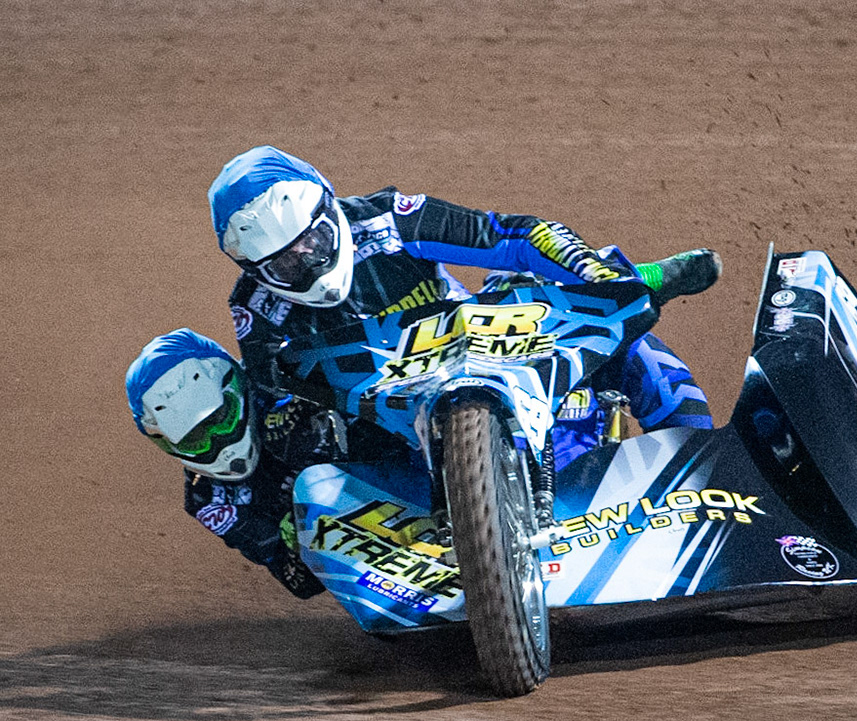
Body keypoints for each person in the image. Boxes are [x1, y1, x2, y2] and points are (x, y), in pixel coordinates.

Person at [207, 146, 718, 464]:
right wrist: (295, 420)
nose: (312, 266)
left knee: (578, 308)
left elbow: (515, 235)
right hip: (389, 428)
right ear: (257, 272)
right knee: (310, 469)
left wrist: (597, 277)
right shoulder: (254, 309)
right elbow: (270, 399)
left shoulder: (388, 219)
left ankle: (701, 466)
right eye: (288, 267)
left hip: (490, 345)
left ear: (329, 206)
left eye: (315, 243)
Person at [125, 327, 365, 599]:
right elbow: (301, 585)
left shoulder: (279, 372)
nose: (218, 443)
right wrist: (299, 537)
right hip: (370, 555)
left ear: (234, 384)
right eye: (194, 439)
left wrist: (324, 421)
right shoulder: (209, 501)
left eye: (219, 419)